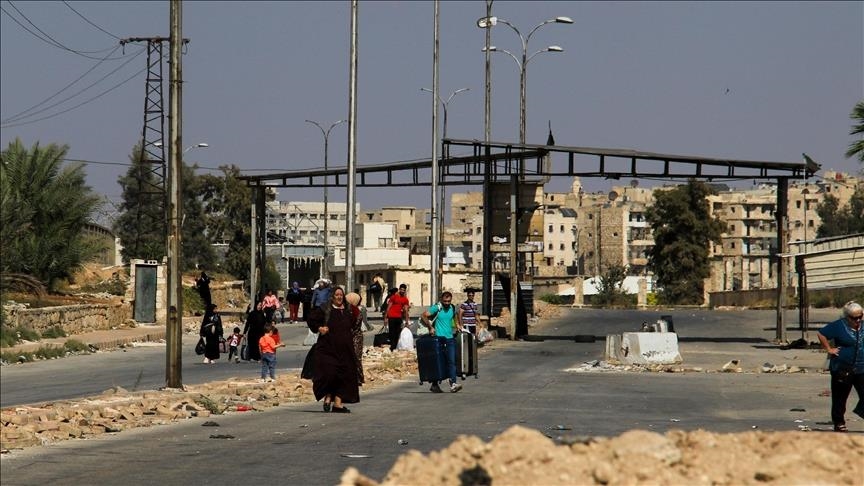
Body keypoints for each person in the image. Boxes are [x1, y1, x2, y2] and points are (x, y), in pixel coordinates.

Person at [307, 287, 361, 413]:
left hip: (345, 349)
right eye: (336, 295)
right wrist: (320, 328)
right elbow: (311, 319)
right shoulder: (325, 308)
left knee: (345, 375)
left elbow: (354, 324)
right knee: (330, 373)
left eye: (341, 295)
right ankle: (328, 396)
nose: (339, 297)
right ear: (332, 296)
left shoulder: (348, 309)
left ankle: (338, 404)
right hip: (328, 348)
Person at [816, 301, 864, 433]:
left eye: (860, 316)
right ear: (847, 317)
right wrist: (829, 349)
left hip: (861, 367)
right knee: (840, 397)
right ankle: (839, 422)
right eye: (855, 318)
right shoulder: (839, 326)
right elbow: (821, 334)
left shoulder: (863, 326)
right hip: (842, 367)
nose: (858, 320)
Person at [421, 291, 462, 393]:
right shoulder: (437, 307)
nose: (447, 303)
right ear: (441, 300)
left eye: (449, 301)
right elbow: (423, 315)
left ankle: (453, 383)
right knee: (438, 362)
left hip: (450, 338)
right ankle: (434, 385)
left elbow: (454, 316)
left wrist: (457, 324)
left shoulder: (452, 307)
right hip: (438, 339)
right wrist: (430, 327)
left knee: (452, 361)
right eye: (445, 301)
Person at [345, 292, 367, 385]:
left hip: (355, 337)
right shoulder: (353, 309)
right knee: (354, 358)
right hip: (355, 336)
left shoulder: (353, 310)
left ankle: (357, 378)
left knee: (354, 357)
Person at [385, 284, 410, 351]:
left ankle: (394, 346)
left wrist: (407, 321)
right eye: (401, 290)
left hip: (399, 318)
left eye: (403, 290)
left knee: (397, 333)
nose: (402, 291)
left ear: (405, 291)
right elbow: (388, 307)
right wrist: (386, 318)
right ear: (399, 289)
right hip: (391, 317)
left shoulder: (405, 299)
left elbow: (406, 311)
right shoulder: (393, 297)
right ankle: (392, 347)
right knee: (391, 333)